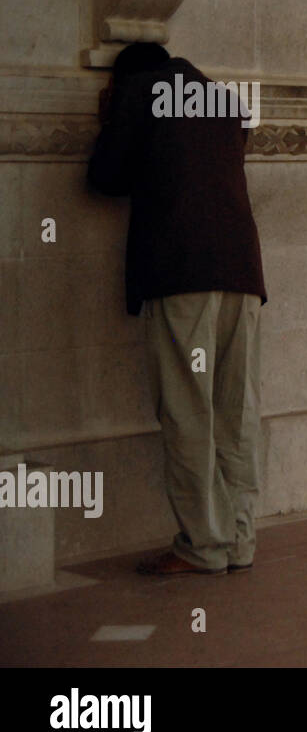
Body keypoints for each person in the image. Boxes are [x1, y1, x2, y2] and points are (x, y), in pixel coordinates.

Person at [88, 43, 267, 575]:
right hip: (243, 274)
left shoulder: (140, 93)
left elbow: (104, 177)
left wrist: (111, 115)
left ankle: (202, 547)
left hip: (181, 273)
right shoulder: (226, 101)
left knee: (189, 411)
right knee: (237, 413)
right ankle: (239, 542)